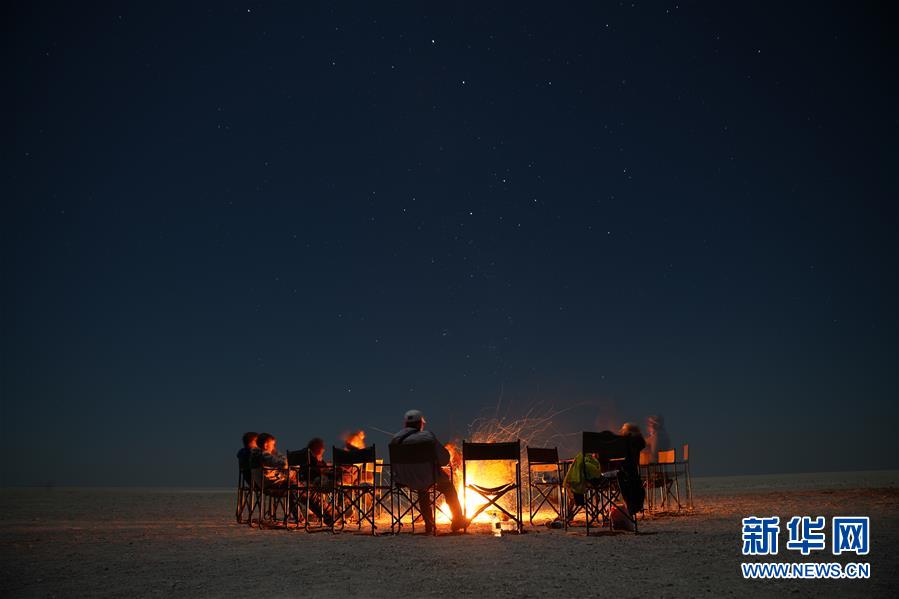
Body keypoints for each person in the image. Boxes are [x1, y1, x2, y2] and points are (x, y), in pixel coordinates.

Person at [390, 409, 467, 533]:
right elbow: (444, 460)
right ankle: (457, 520)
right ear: (421, 423)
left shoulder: (395, 439)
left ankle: (429, 524)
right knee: (448, 488)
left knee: (422, 489)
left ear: (405, 425)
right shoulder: (428, 437)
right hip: (428, 478)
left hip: (403, 479)